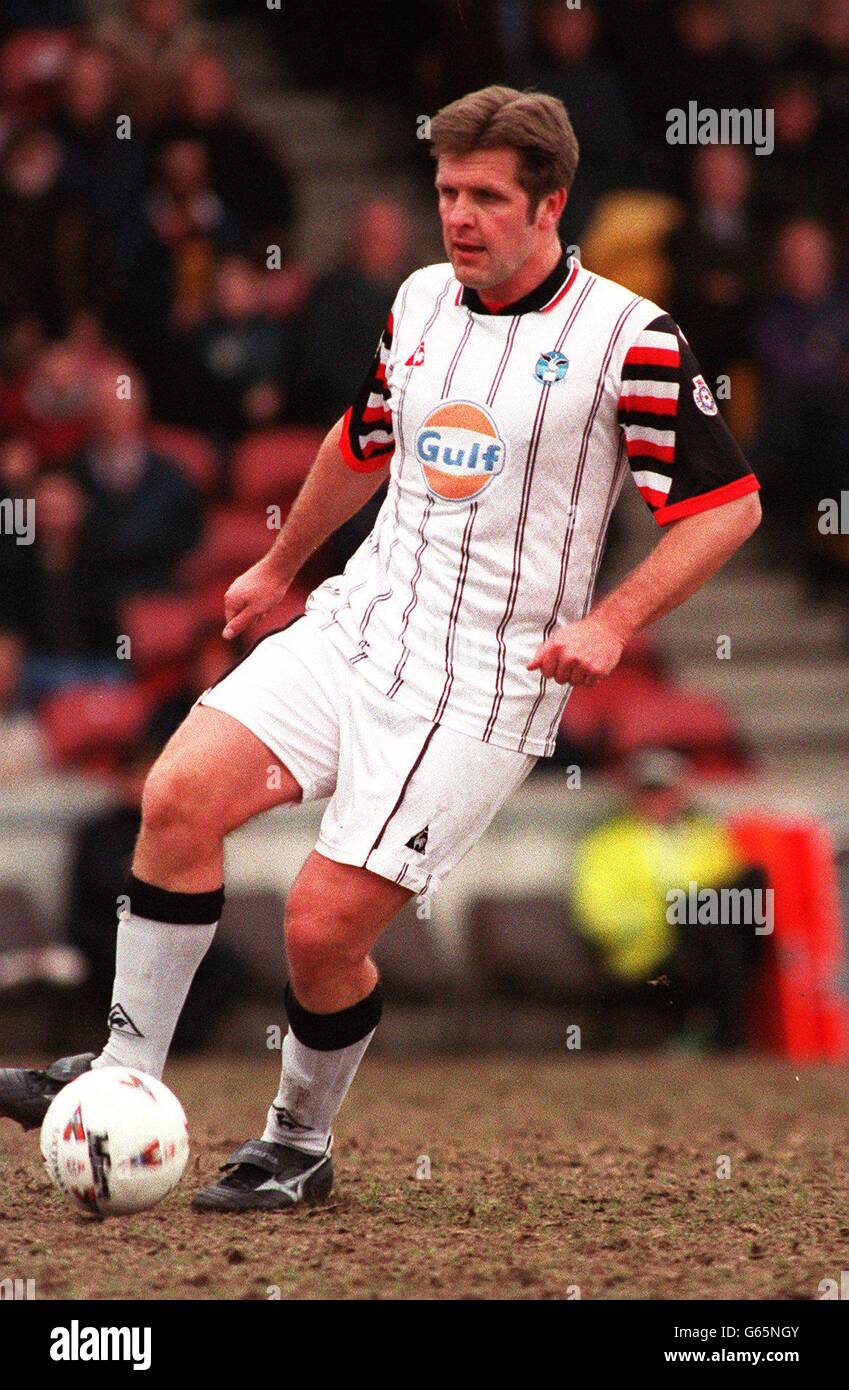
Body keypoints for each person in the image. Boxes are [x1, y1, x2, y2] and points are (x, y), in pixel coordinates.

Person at [0, 86, 761, 1211]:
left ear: (550, 204)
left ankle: (297, 1142)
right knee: (175, 797)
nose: (460, 215)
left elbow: (727, 504)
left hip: (485, 682)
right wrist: (280, 567)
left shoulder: (628, 341)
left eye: (488, 198)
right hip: (360, 620)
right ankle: (122, 1073)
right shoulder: (415, 301)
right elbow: (362, 438)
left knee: (320, 925)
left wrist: (611, 622)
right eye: (448, 191)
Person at [569, 749, 767, 1049]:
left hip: (709, 941)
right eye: (649, 791)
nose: (658, 800)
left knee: (749, 885)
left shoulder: (706, 835)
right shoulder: (607, 845)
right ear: (632, 795)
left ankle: (717, 1034)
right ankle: (725, 1038)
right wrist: (666, 912)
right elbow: (598, 917)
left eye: (665, 790)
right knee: (704, 922)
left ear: (681, 792)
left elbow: (735, 892)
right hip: (649, 953)